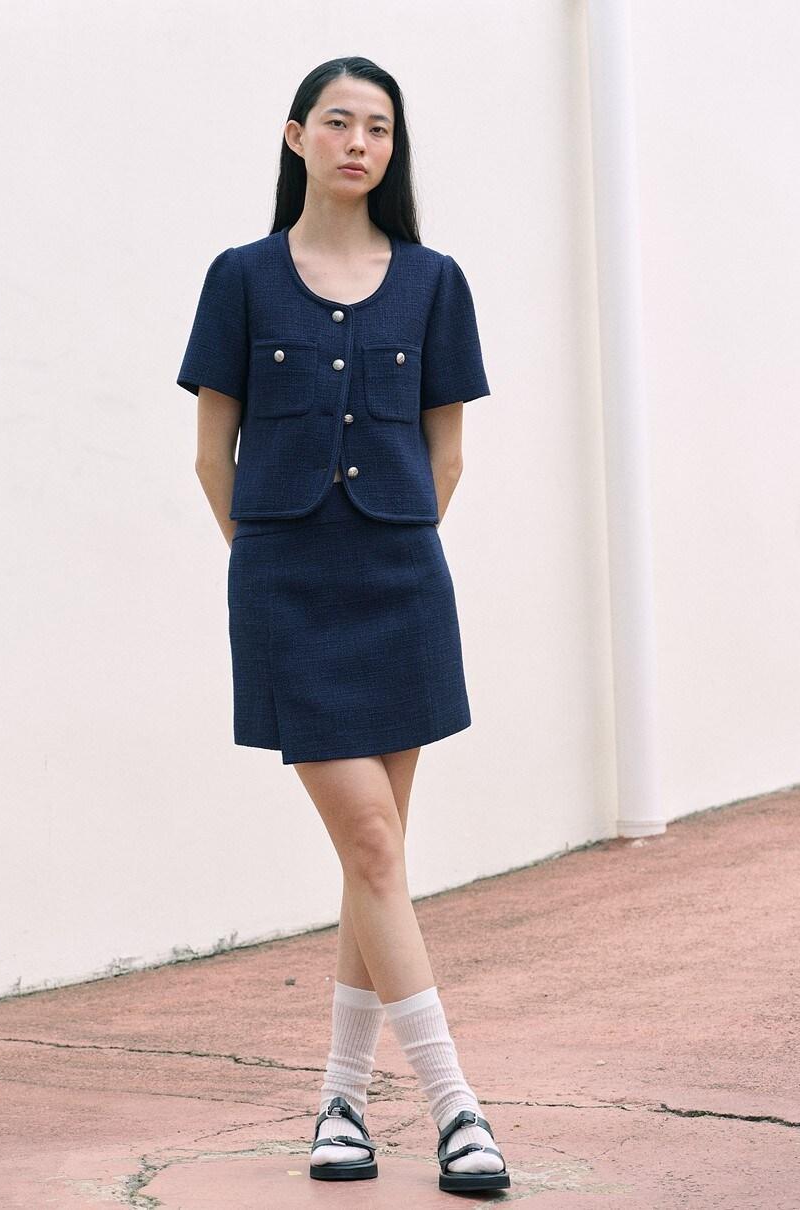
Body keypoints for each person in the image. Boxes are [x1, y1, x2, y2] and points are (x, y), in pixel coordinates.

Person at [176, 56, 509, 1196]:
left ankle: (340, 1104)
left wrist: (386, 547)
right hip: (286, 589)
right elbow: (211, 456)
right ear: (297, 137)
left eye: (378, 127)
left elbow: (446, 453)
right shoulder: (240, 278)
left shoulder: (433, 281)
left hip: (400, 587)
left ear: (391, 148)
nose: (358, 142)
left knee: (376, 863)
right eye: (338, 122)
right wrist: (268, 565)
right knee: (372, 848)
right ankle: (456, 1107)